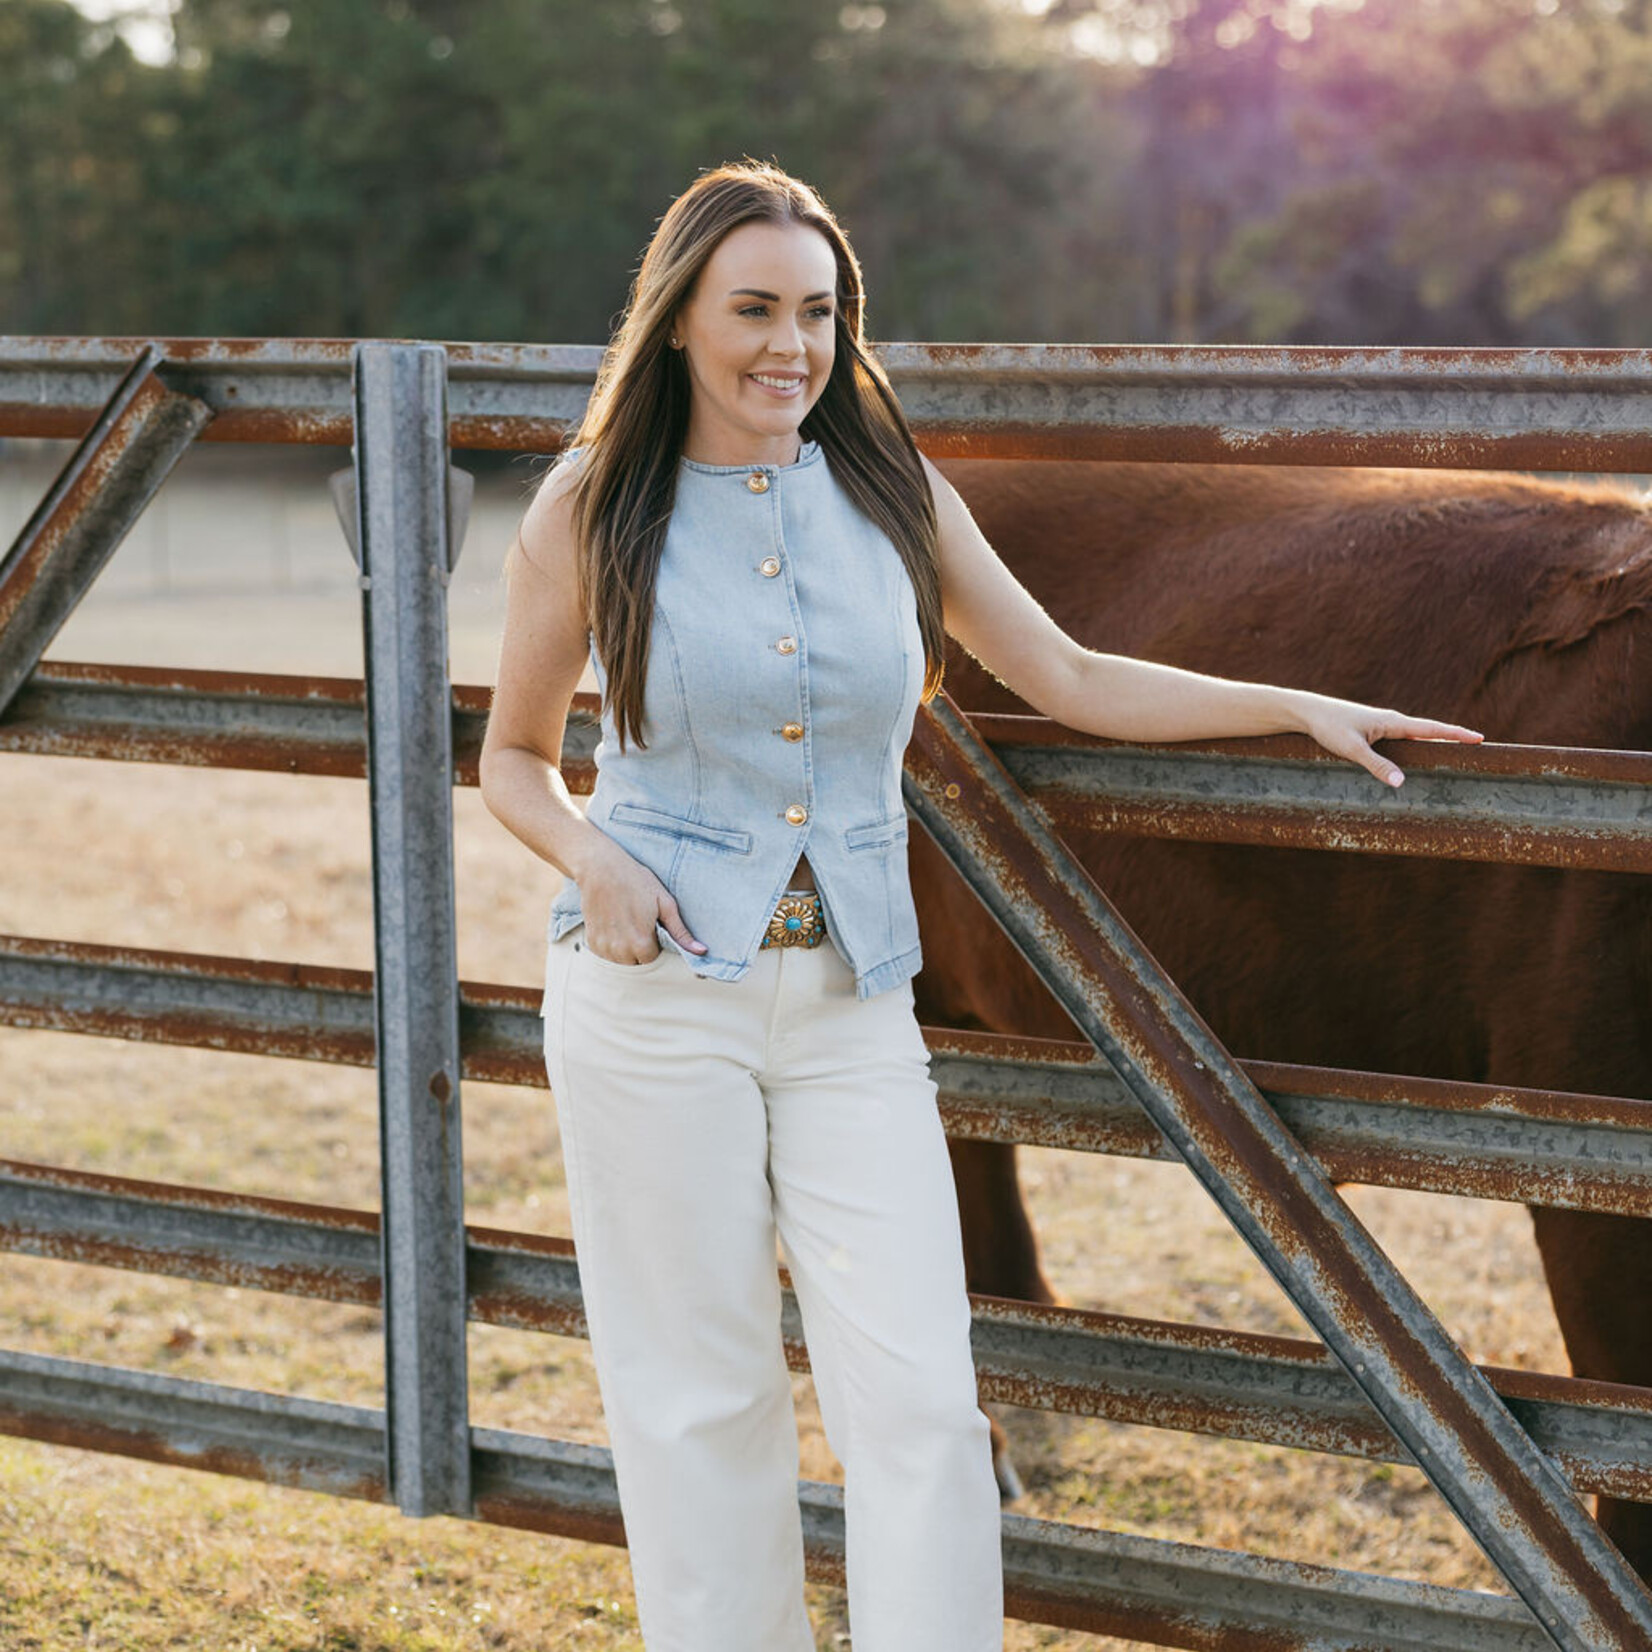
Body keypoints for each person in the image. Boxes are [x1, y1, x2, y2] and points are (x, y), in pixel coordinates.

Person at [477, 159, 1483, 1652]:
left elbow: (1070, 675)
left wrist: (1294, 703)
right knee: (704, 1409)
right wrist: (592, 860)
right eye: (753, 309)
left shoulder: (892, 489)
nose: (789, 348)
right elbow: (507, 757)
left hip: (853, 1013)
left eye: (817, 313)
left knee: (926, 1410)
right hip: (655, 1011)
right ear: (679, 318)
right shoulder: (591, 505)